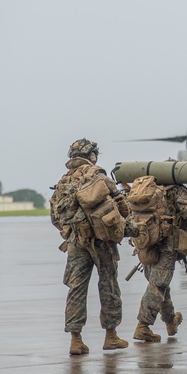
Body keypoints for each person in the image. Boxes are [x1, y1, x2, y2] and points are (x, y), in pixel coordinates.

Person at [50, 139, 133, 356]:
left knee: (76, 288)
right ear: (92, 155)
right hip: (101, 240)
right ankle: (111, 336)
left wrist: (71, 231)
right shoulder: (98, 175)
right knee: (109, 285)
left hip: (76, 241)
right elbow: (122, 207)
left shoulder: (63, 181)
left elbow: (55, 217)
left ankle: (75, 340)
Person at [130, 179, 187, 343]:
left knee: (159, 283)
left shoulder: (147, 188)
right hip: (167, 244)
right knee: (158, 285)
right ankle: (143, 326)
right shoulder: (177, 190)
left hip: (146, 240)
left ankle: (170, 321)